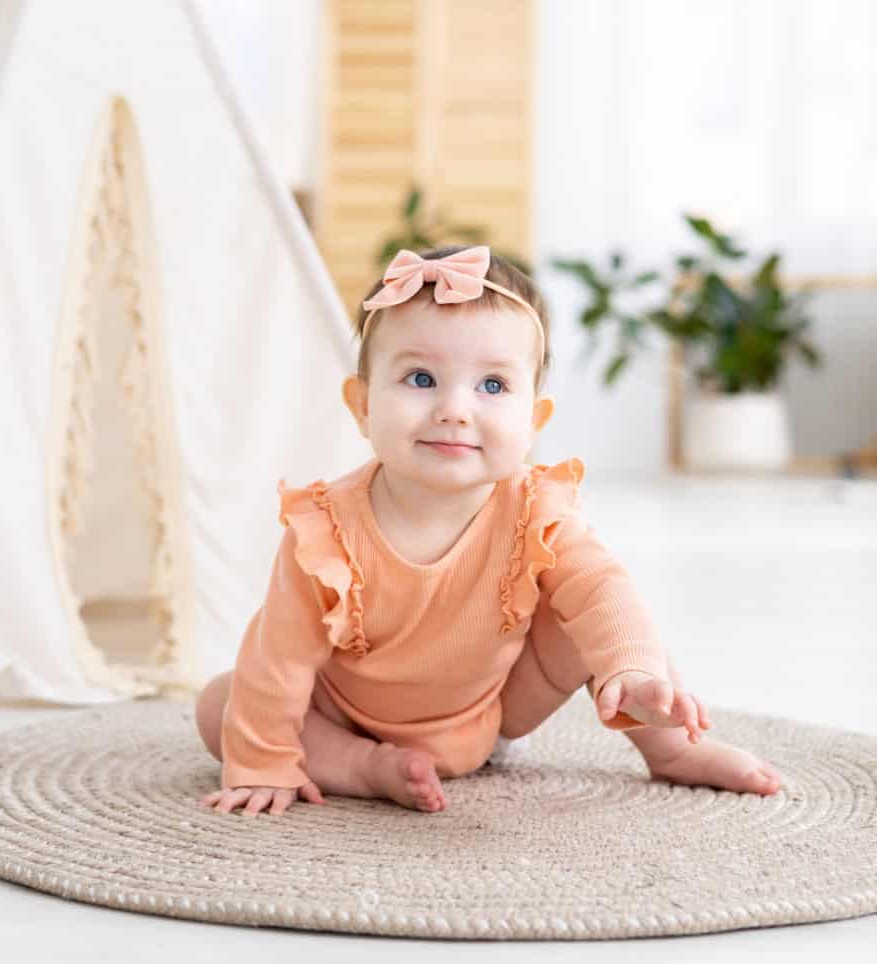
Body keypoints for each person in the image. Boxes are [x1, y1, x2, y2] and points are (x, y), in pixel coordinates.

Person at [195, 245, 783, 818]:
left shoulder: (537, 509)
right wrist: (262, 761)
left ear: (533, 422)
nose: (455, 408)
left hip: (491, 713)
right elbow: (279, 660)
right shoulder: (324, 530)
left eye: (493, 386)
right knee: (221, 703)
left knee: (597, 612)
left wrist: (631, 667)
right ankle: (365, 767)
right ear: (363, 404)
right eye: (421, 378)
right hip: (343, 716)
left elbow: (602, 588)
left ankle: (675, 747)